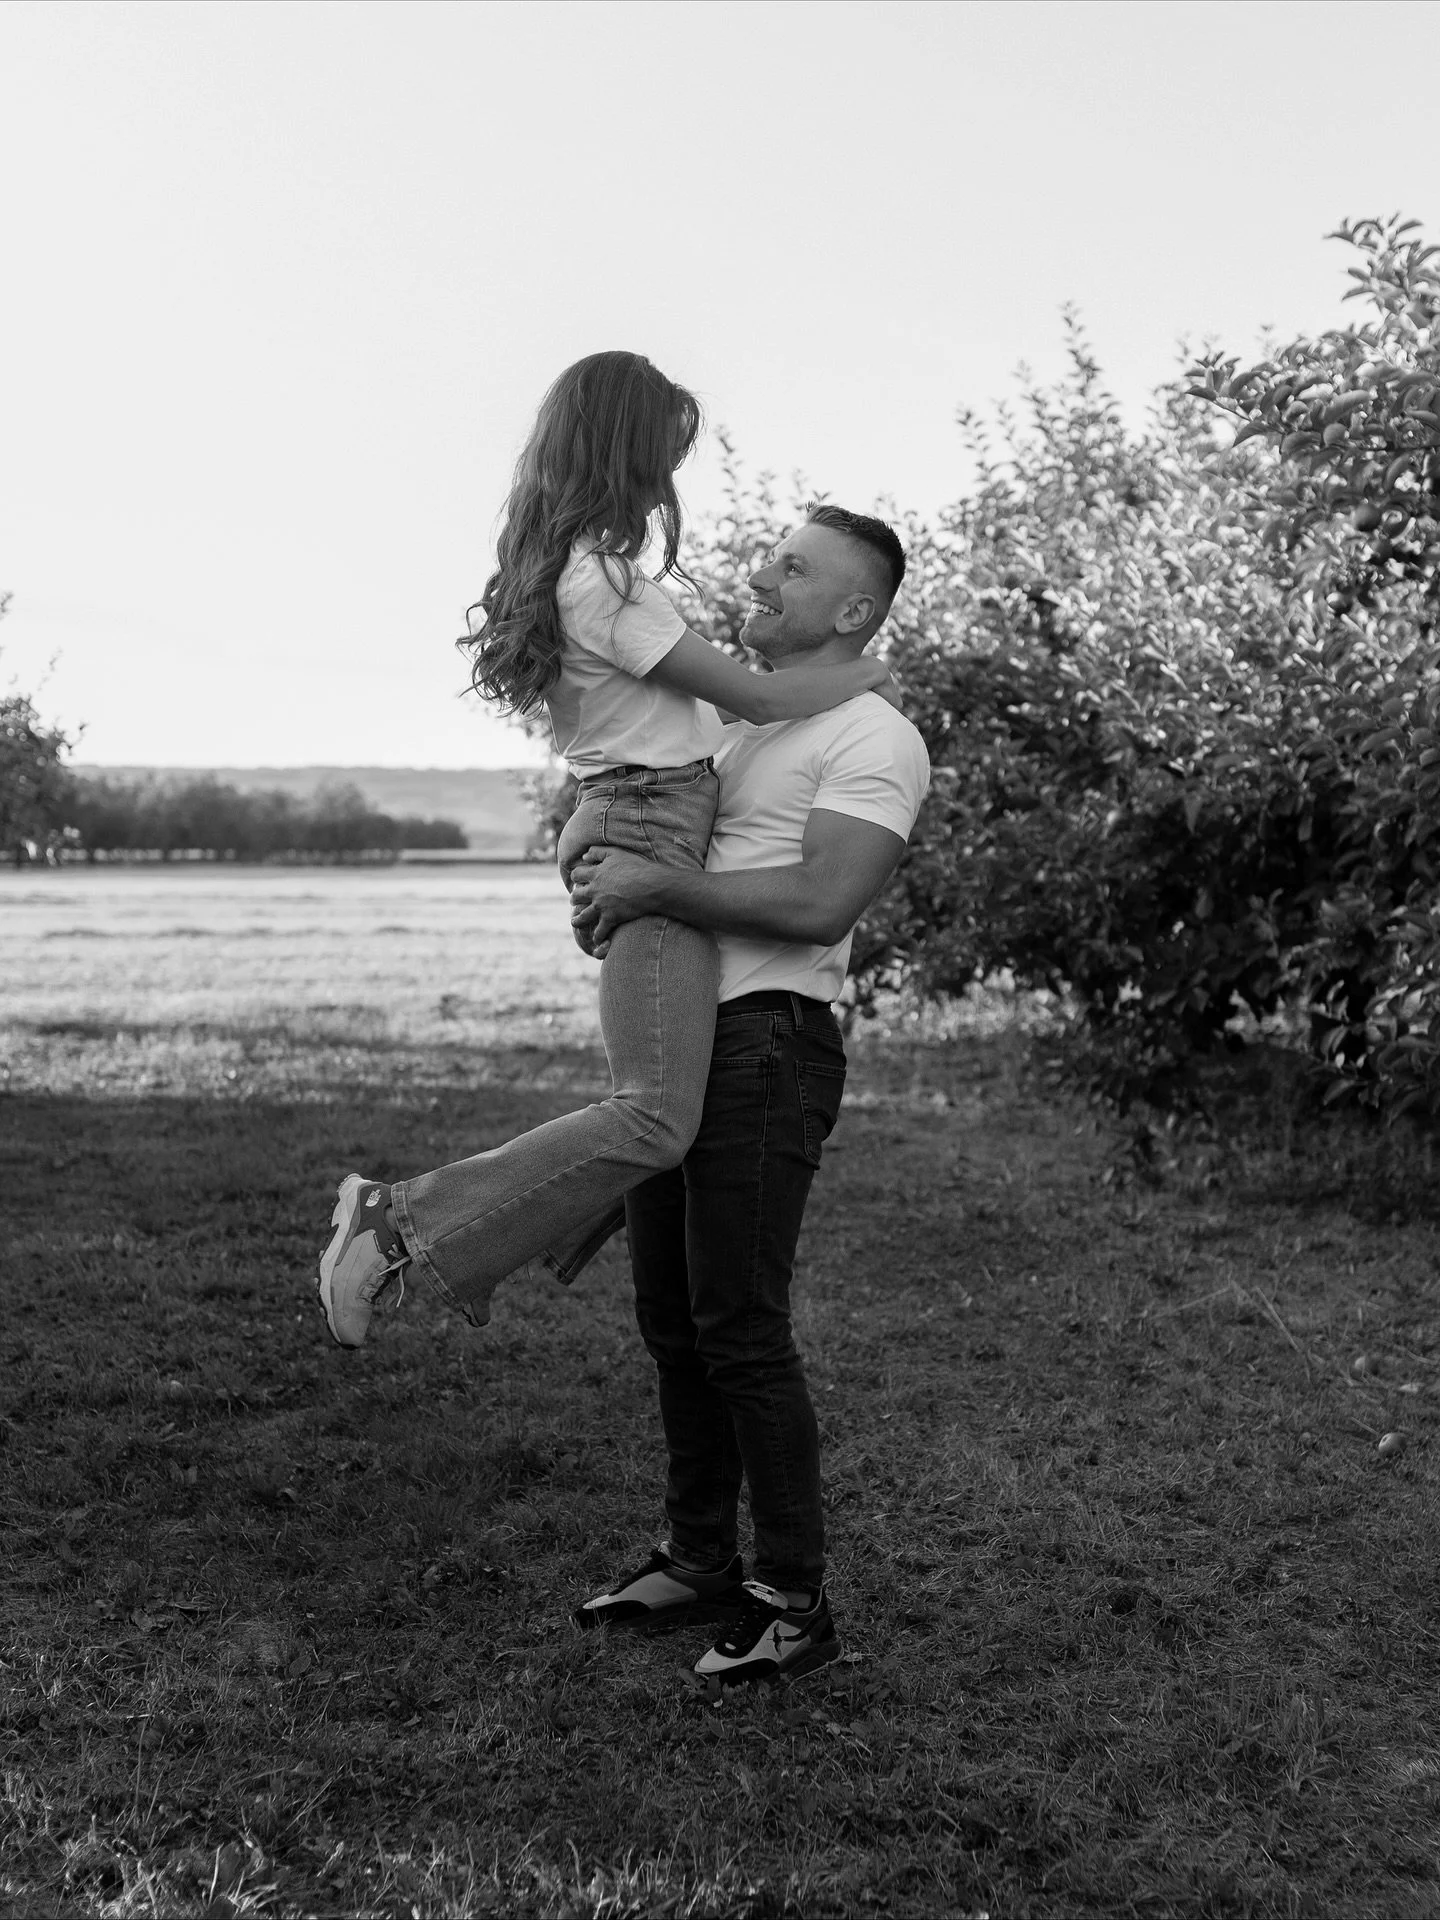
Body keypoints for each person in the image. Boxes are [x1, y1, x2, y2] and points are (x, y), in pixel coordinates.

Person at [316, 352, 891, 1348]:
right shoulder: (611, 580)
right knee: (657, 1115)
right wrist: (872, 676)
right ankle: (401, 1223)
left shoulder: (579, 571)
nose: (671, 476)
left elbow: (674, 726)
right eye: (666, 451)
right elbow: (756, 700)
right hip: (649, 820)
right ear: (626, 451)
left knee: (664, 1105)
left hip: (633, 810)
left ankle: (468, 1233)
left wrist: (593, 820)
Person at [562, 503, 931, 1688]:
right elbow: (664, 868)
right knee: (673, 1321)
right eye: (770, 556)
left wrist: (654, 887)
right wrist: (613, 894)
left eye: (792, 566)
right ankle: (699, 1557)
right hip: (679, 1045)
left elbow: (823, 903)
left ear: (854, 610)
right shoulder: (733, 729)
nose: (761, 574)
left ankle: (794, 1601)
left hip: (769, 1046)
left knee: (739, 1326)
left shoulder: (876, 736)